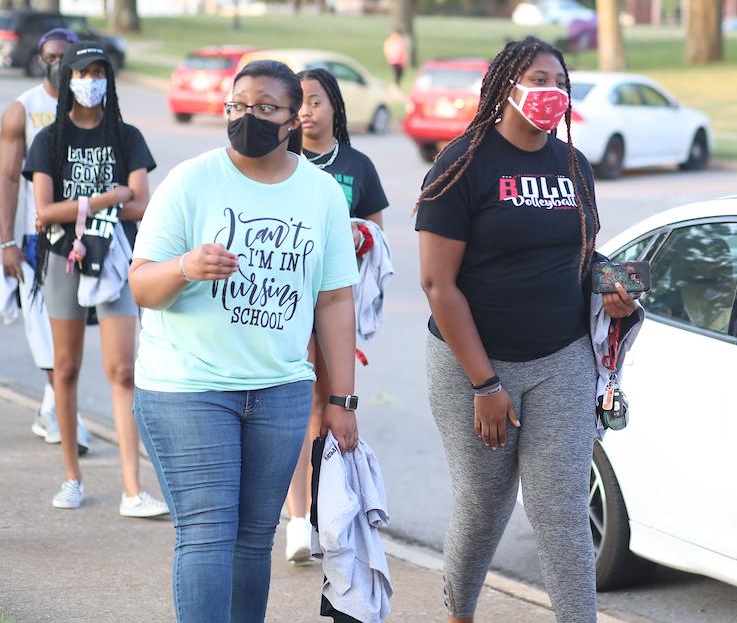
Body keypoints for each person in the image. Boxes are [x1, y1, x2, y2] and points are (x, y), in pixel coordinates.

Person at [128, 59, 361, 623]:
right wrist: (184, 265)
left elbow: (333, 300)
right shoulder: (192, 180)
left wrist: (342, 400)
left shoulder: (321, 193)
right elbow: (141, 283)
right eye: (238, 106)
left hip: (280, 390)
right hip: (189, 387)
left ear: (292, 120)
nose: (247, 117)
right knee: (208, 533)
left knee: (254, 539)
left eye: (264, 108)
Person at [415, 36, 637, 623]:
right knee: (485, 503)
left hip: (562, 358)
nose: (553, 93)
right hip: (473, 364)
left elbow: (583, 257)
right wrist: (485, 385)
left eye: (562, 83)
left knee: (560, 509)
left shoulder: (572, 165)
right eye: (540, 79)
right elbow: (439, 286)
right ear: (506, 85)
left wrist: (610, 292)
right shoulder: (462, 163)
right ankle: (458, 613)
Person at [24, 40, 165, 516]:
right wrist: (110, 196)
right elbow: (45, 212)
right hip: (64, 258)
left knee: (123, 370)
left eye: (100, 72)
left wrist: (98, 202)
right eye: (83, 74)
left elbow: (143, 203)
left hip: (117, 259)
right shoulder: (49, 141)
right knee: (65, 367)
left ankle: (132, 488)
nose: (92, 82)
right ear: (69, 79)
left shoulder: (126, 137)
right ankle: (71, 475)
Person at [282, 67, 389, 562]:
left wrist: (359, 234)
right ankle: (298, 520)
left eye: (315, 101)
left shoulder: (358, 166)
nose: (306, 110)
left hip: (336, 303)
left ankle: (333, 512)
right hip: (286, 299)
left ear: (335, 108)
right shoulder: (280, 161)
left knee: (334, 405)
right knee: (303, 405)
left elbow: (378, 236)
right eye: (298, 102)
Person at [0, 27, 90, 452]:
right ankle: (60, 414)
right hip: (35, 239)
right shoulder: (24, 109)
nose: (58, 64)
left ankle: (52, 408)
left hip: (88, 240)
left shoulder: (92, 108)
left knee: (70, 331)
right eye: (50, 57)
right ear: (40, 59)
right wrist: (6, 242)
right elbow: (6, 179)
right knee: (44, 328)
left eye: (65, 56)